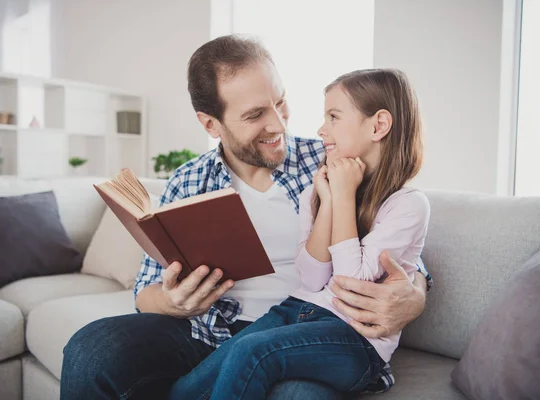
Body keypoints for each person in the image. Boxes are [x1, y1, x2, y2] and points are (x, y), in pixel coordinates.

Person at [60, 35, 432, 400]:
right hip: (205, 331)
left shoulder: (332, 159)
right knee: (89, 350)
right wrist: (172, 302)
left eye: (280, 103)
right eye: (255, 114)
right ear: (211, 124)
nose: (279, 124)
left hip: (310, 330)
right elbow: (146, 291)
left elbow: (395, 248)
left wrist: (415, 294)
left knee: (297, 395)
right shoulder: (191, 179)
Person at [168, 68, 429, 400]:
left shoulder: (408, 205)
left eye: (334, 117)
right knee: (185, 390)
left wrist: (344, 196)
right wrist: (331, 199)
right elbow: (312, 277)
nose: (322, 130)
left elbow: (353, 282)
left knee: (251, 352)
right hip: (296, 309)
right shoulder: (317, 190)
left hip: (353, 337)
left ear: (378, 125)